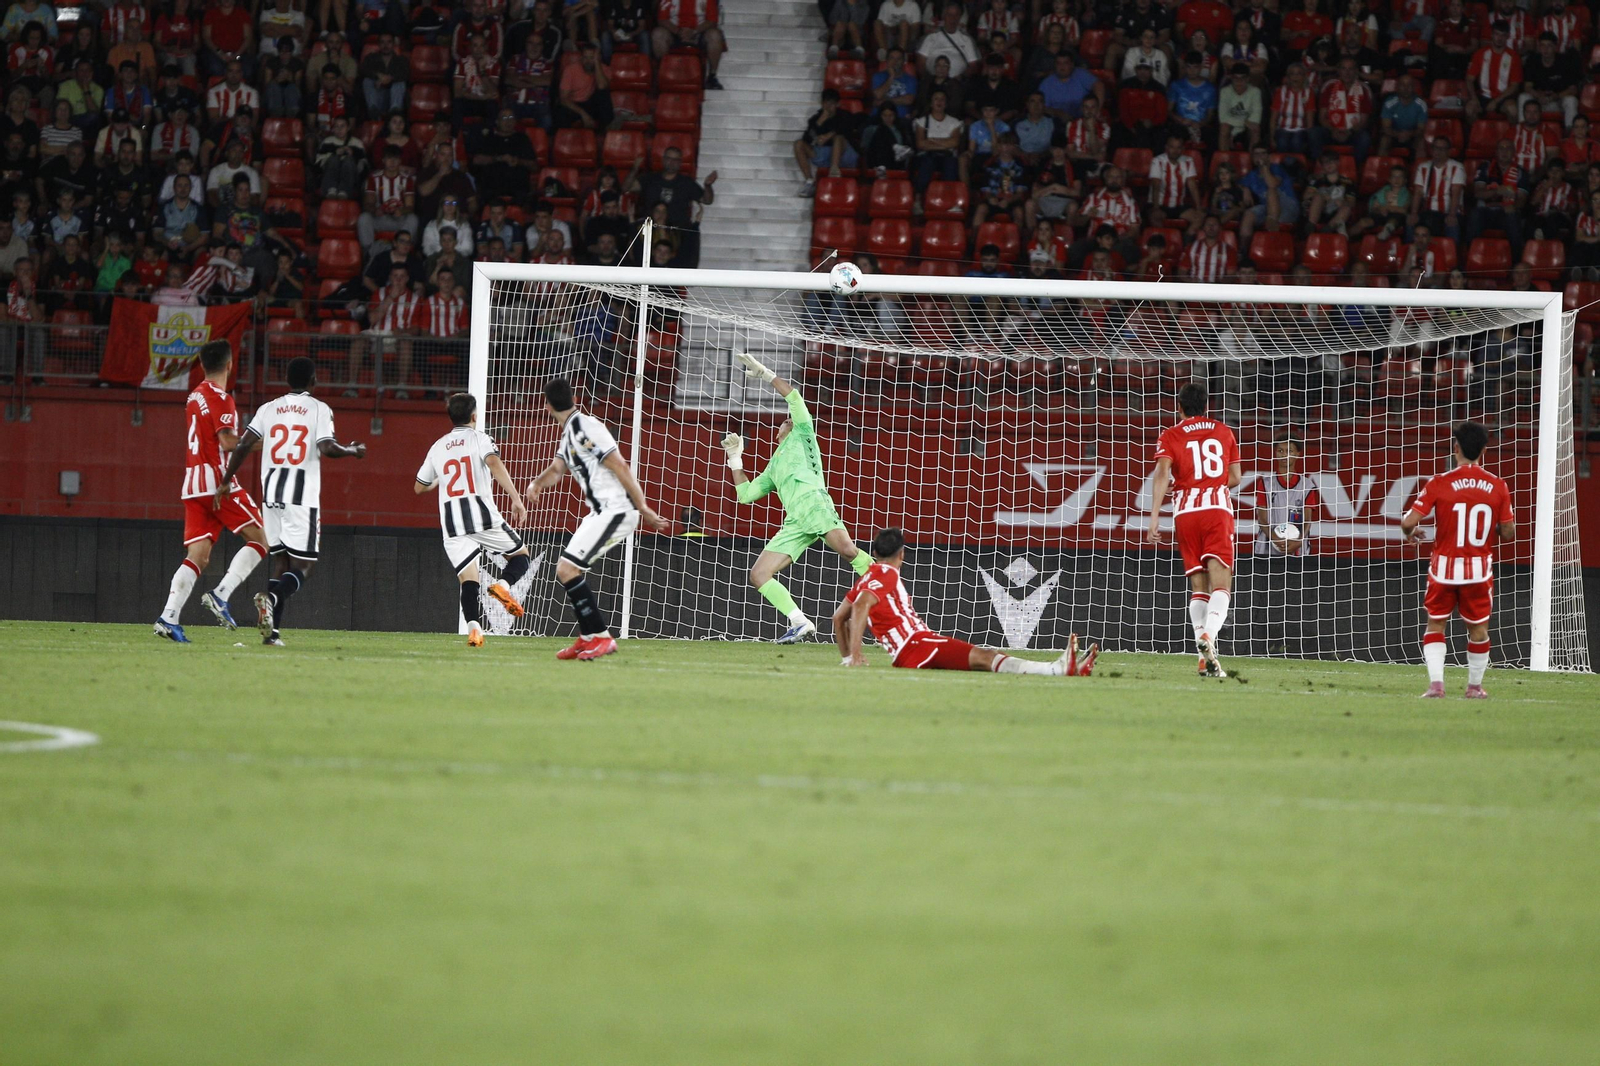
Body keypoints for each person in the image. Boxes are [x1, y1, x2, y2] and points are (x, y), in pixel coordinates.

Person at [717, 350, 869, 643]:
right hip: (795, 521)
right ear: (777, 432)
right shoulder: (773, 466)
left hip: (814, 502)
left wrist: (766, 374)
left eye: (789, 418)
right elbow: (746, 495)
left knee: (849, 552)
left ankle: (891, 594)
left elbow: (794, 398)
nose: (787, 418)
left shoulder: (803, 433)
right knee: (759, 574)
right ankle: (799, 622)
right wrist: (735, 460)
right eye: (784, 420)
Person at [213, 356, 366, 646]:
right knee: (305, 564)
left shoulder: (268, 408)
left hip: (270, 496)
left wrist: (225, 481)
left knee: (281, 562)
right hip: (301, 498)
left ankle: (273, 634)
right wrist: (351, 450)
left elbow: (244, 443)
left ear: (287, 381)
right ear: (314, 380)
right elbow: (327, 448)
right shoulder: (319, 408)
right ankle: (271, 598)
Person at [522, 378, 670, 660]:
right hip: (600, 512)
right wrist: (536, 483)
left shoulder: (588, 427)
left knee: (567, 570)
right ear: (574, 398)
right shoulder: (569, 434)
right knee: (565, 569)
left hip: (617, 509)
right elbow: (557, 469)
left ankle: (601, 637)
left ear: (547, 406)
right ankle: (588, 636)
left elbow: (619, 464)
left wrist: (643, 507)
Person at [833, 526, 1099, 675]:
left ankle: (1059, 668)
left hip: (912, 649)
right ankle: (1056, 670)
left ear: (875, 551)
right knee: (985, 657)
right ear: (901, 554)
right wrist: (856, 654)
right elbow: (860, 606)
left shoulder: (867, 577)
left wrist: (846, 659)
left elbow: (838, 617)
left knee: (983, 659)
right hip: (917, 644)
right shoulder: (887, 574)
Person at [153, 340, 269, 642]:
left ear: (203, 366)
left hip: (192, 483)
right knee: (260, 539)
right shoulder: (221, 398)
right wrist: (270, 442)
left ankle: (168, 617)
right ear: (230, 365)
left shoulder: (194, 396)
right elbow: (229, 443)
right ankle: (221, 595)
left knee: (199, 556)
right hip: (217, 482)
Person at [1399, 421, 1515, 698]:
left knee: (1436, 623)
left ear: (1456, 447)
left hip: (1444, 570)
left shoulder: (1439, 483)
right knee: (1478, 628)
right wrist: (1492, 528)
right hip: (1478, 570)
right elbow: (1509, 533)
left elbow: (1408, 521)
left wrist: (1410, 532)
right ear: (1484, 450)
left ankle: (1436, 685)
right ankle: (1474, 687)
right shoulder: (1498, 486)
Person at [415, 391, 532, 648]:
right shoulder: (480, 438)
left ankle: (475, 630)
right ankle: (503, 585)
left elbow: (418, 487)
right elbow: (494, 464)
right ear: (474, 416)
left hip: (452, 523)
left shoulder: (438, 446)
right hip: (481, 515)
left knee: (468, 580)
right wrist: (515, 497)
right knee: (521, 555)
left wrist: (440, 479)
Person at [1146, 381, 1241, 678]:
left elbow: (1162, 474)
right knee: (1222, 585)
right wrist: (1208, 485)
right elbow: (1236, 477)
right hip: (1216, 510)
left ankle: (1205, 659)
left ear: (1179, 408)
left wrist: (1153, 518)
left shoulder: (1170, 435)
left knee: (1198, 589)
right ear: (1208, 406)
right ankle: (1209, 636)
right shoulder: (1224, 432)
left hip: (1185, 513)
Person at [1242, 433, 1320, 657]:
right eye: (1280, 450)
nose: (1285, 454)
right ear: (1275, 454)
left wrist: (1297, 540)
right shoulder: (1265, 482)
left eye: (1290, 450)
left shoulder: (1306, 485)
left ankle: (1296, 648)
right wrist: (1274, 537)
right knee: (1263, 598)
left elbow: (1307, 519)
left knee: (1293, 599)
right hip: (1266, 550)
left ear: (1298, 454)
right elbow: (1262, 517)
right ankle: (1256, 647)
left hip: (1297, 551)